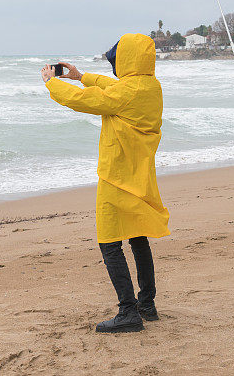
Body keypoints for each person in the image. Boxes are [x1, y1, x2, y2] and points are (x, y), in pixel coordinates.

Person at [40, 33, 170, 333]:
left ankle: (128, 312)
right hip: (140, 176)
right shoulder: (150, 86)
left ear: (126, 62)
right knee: (137, 238)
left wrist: (52, 83)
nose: (114, 66)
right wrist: (81, 75)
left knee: (110, 244)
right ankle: (147, 305)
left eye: (117, 61)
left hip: (116, 177)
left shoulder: (126, 93)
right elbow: (113, 87)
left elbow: (85, 101)